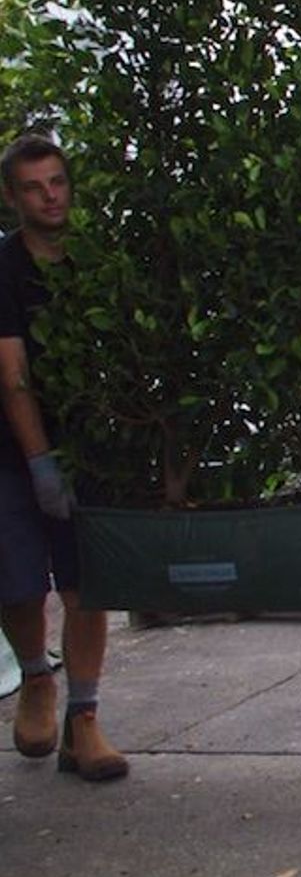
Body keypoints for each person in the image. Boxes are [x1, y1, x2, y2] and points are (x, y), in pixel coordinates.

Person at [0, 132, 127, 782]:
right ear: (11, 196)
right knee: (19, 582)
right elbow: (12, 373)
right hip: (14, 447)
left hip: (88, 443)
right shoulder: (5, 267)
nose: (50, 197)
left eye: (57, 182)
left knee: (84, 583)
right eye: (33, 187)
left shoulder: (93, 261)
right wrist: (40, 460)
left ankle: (84, 720)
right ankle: (34, 676)